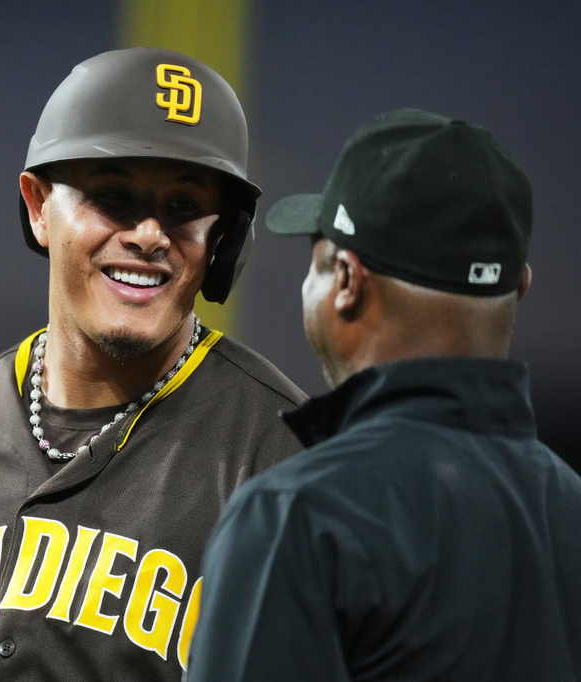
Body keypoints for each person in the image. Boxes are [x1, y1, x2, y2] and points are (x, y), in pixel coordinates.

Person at [0, 47, 306, 681]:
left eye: (183, 207)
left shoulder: (281, 454)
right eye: (115, 197)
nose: (150, 233)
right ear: (39, 205)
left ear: (224, 240)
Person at [187, 108, 581, 681]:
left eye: (317, 262)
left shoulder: (301, 515)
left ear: (346, 280)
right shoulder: (570, 508)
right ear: (518, 286)